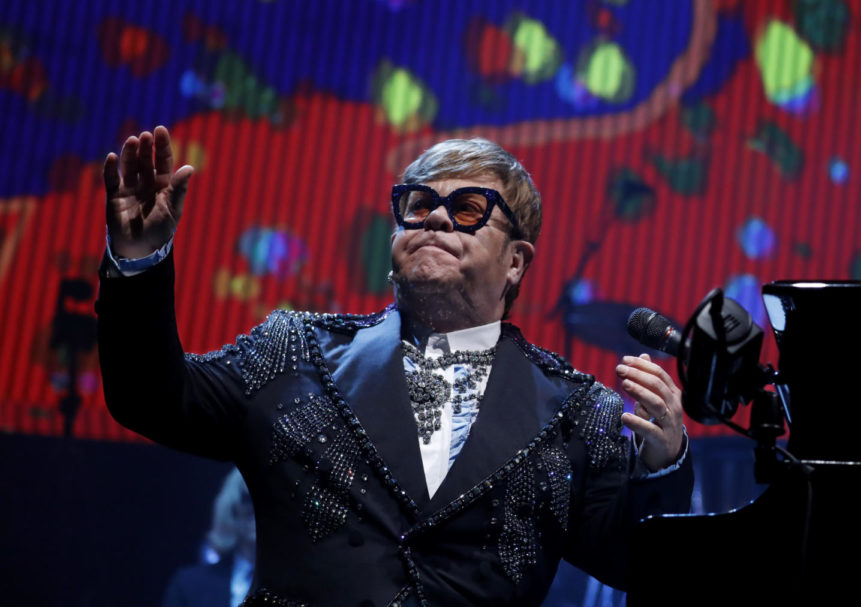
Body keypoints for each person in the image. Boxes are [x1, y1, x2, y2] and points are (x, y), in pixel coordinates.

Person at [97, 126, 692, 606]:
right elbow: (152, 398)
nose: (434, 219)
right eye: (418, 205)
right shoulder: (294, 350)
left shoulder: (575, 412)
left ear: (516, 262)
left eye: (466, 209)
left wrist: (664, 465)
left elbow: (635, 565)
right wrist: (140, 263)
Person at [161, 468, 257, 607]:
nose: (259, 510)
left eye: (272, 501)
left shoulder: (298, 584)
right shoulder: (190, 585)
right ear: (232, 509)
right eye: (248, 499)